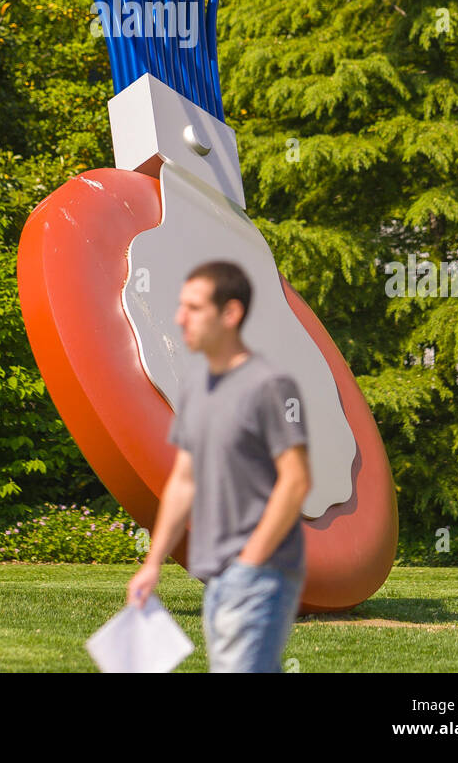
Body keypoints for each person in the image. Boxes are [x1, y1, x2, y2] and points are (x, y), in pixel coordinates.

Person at [125, 259, 311, 673]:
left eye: (194, 308)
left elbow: (295, 481)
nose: (180, 318)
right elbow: (184, 482)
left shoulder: (270, 386)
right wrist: (152, 564)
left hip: (262, 571)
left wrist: (251, 560)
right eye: (181, 306)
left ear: (230, 314)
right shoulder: (196, 387)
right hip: (216, 571)